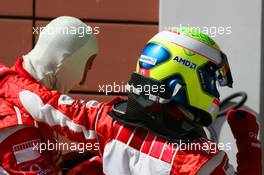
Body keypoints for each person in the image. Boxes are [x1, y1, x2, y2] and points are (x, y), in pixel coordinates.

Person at [0, 27, 261, 174]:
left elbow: (46, 104)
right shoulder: (204, 161)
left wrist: (5, 78)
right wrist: (250, 151)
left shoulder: (110, 124)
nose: (215, 91)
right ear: (182, 78)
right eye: (211, 79)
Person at [0, 16, 101, 174]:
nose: (82, 82)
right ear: (66, 63)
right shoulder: (19, 126)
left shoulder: (17, 94)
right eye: (86, 67)